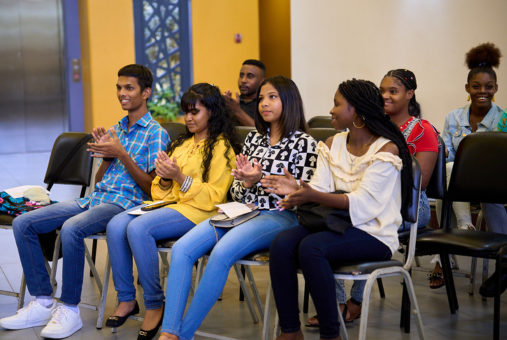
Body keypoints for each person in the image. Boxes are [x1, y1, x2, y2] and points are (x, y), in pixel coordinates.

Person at [0, 64, 169, 338]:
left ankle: (70, 309)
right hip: (96, 199)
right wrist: (107, 157)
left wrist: (122, 154)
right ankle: (43, 301)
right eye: (118, 87)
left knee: (72, 229)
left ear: (146, 92)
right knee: (24, 223)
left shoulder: (156, 134)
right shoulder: (117, 129)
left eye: (129, 88)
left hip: (124, 204)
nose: (122, 93)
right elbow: (100, 180)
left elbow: (152, 189)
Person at [157, 75, 318, 340]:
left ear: (288, 101)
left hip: (280, 215)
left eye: (272, 97)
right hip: (243, 210)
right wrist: (245, 183)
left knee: (221, 253)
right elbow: (234, 190)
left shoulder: (304, 143)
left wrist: (259, 180)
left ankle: (181, 336)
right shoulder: (255, 139)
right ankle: (169, 331)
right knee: (183, 249)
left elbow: (301, 195)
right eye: (262, 98)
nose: (264, 103)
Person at [264, 79, 414, 340]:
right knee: (282, 243)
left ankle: (331, 334)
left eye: (336, 104)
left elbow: (364, 205)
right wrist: (299, 188)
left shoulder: (386, 149)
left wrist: (311, 193)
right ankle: (290, 331)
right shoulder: (332, 143)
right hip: (337, 223)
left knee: (312, 248)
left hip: (373, 232)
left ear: (354, 111)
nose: (331, 110)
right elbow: (320, 188)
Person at [105, 83, 241, 340]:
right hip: (172, 206)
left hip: (201, 212)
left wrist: (178, 176)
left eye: (195, 112)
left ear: (211, 112)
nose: (188, 118)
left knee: (138, 228)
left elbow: (214, 198)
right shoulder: (182, 144)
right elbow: (158, 191)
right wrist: (166, 179)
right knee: (115, 224)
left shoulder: (222, 148)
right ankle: (126, 298)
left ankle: (155, 304)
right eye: (186, 112)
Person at [433, 42, 507, 295]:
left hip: (493, 185)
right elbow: (448, 160)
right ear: (467, 88)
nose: (482, 91)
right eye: (476, 87)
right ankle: (465, 228)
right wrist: (441, 152)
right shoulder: (453, 118)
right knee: (450, 172)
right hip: (460, 184)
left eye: (488, 87)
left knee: (490, 199)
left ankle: (448, 258)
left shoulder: (504, 119)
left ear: (496, 88)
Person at [223, 59, 266, 127]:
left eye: (250, 76)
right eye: (241, 75)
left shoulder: (265, 104)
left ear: (262, 81)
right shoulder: (234, 103)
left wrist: (237, 111)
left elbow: (262, 131)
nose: (243, 80)